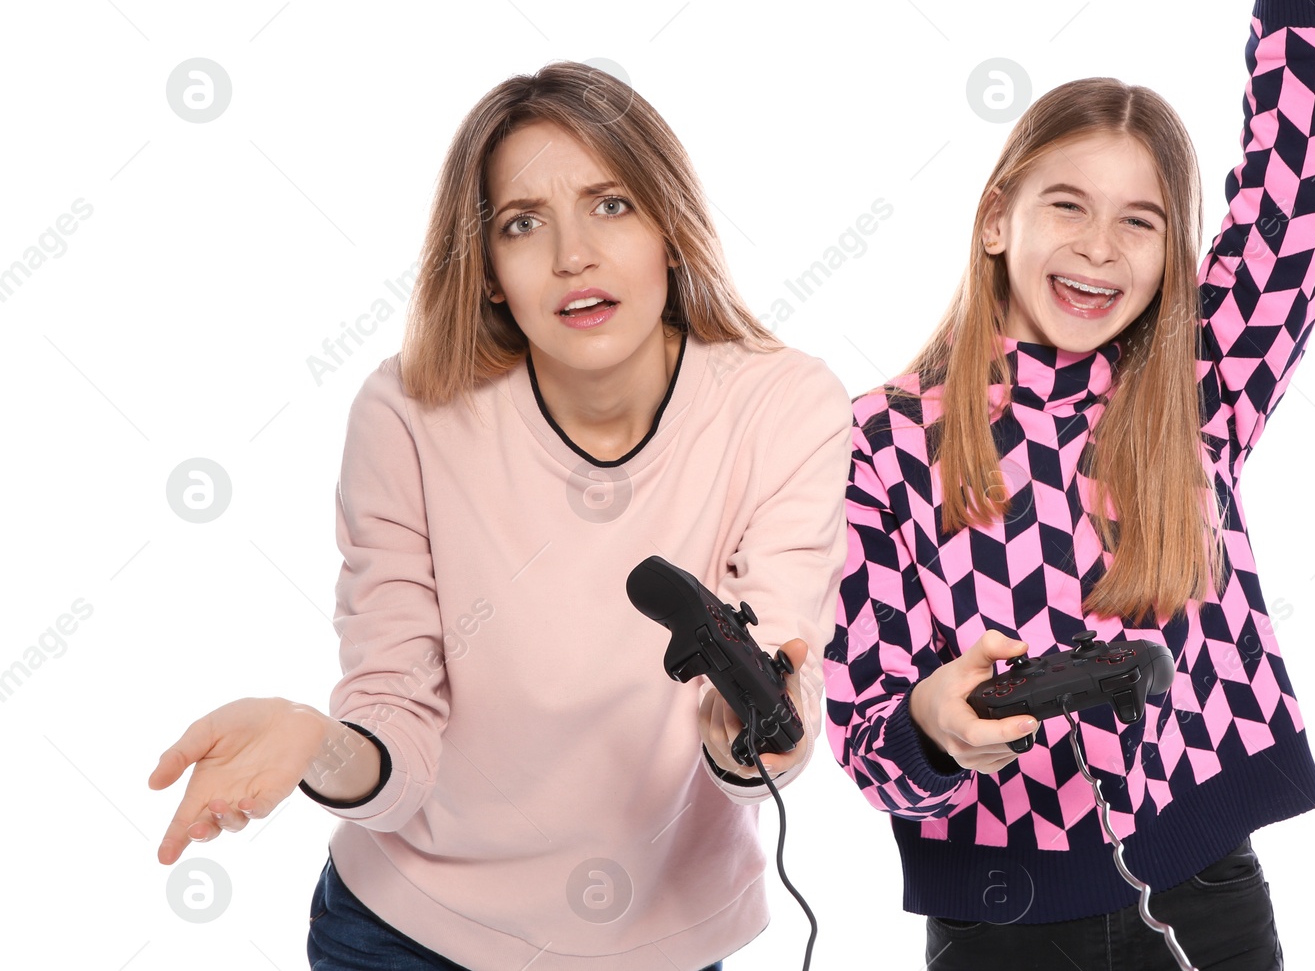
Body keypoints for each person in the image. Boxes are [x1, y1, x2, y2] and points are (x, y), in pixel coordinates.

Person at [823, 0, 1315, 970]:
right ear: (997, 220)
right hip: (998, 918)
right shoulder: (879, 440)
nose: (1099, 250)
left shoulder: (1188, 388)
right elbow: (866, 730)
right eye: (1066, 206)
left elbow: (1299, 202)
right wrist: (929, 725)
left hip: (1203, 889)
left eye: (1140, 220)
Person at [146, 64, 854, 971]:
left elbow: (785, 670)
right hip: (408, 930)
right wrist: (316, 743)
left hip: (660, 940)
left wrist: (751, 732)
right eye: (524, 223)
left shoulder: (783, 402)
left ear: (671, 234)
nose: (573, 256)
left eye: (611, 206)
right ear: (486, 274)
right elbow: (393, 716)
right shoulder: (407, 412)